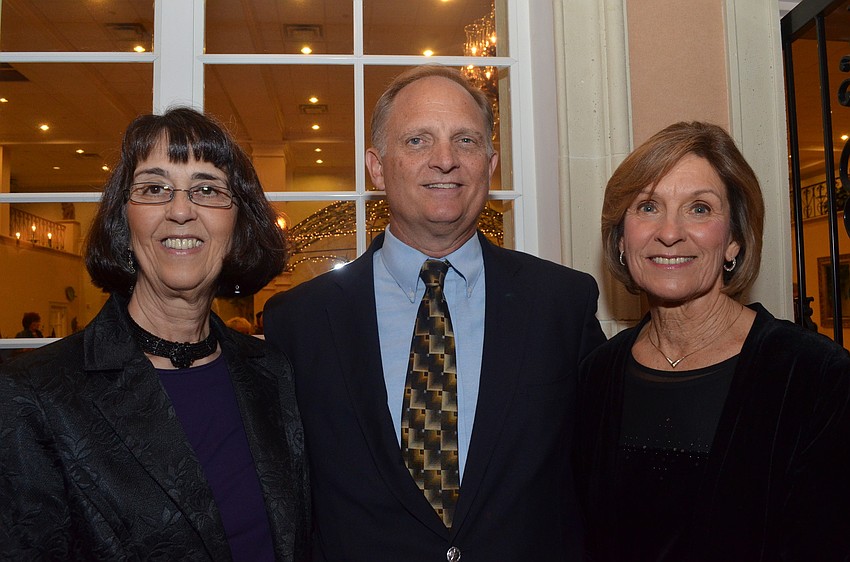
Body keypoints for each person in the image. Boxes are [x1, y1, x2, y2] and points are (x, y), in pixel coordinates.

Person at [263, 65, 606, 561]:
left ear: (490, 164)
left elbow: (597, 482)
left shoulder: (561, 303)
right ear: (377, 168)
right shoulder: (299, 322)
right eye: (419, 140)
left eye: (465, 141)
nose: (445, 160)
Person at [0, 107, 310, 560]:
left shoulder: (272, 372)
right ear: (124, 222)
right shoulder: (36, 394)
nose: (181, 210)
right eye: (154, 188)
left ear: (238, 223)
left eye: (206, 189)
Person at [575, 121, 850, 560]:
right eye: (648, 207)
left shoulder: (815, 375)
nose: (670, 232)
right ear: (622, 240)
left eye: (699, 209)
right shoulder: (597, 374)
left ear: (734, 241)